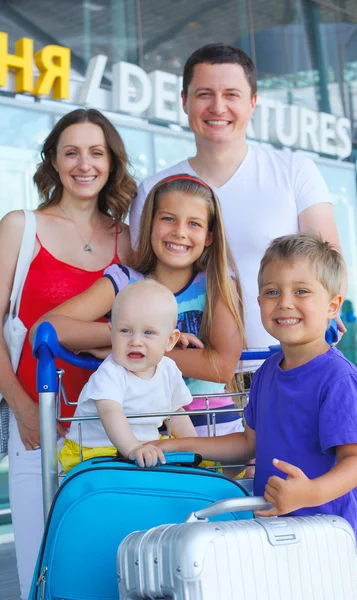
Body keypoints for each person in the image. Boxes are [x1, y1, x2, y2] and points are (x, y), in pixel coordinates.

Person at [151, 233, 357, 600]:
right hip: (273, 543)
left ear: (333, 306)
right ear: (259, 301)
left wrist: (309, 493)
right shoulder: (266, 373)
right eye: (272, 292)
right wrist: (179, 443)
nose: (284, 303)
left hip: (330, 550)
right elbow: (248, 444)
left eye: (302, 292)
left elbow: (355, 462)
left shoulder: (339, 379)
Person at [130, 43, 347, 353]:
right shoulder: (154, 190)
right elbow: (139, 284)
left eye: (231, 95)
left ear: (253, 103)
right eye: (204, 94)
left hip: (284, 369)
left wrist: (325, 313)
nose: (218, 107)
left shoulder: (295, 170)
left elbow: (332, 264)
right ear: (184, 102)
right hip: (187, 383)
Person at [0, 108, 135, 600]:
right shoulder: (20, 226)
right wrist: (21, 407)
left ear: (111, 162)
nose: (85, 164)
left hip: (117, 420)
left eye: (96, 152)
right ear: (53, 162)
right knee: (42, 562)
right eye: (71, 152)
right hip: (40, 419)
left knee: (109, 560)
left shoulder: (130, 238)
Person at [33, 174, 245, 442]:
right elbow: (45, 329)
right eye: (168, 218)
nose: (179, 231)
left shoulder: (218, 282)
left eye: (194, 223)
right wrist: (118, 337)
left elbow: (222, 367)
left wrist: (129, 347)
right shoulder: (124, 281)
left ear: (209, 236)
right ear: (149, 224)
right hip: (135, 432)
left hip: (211, 427)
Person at [58, 280, 196, 472]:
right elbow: (110, 412)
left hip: (143, 446)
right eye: (125, 331)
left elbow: (175, 414)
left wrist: (197, 445)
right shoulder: (111, 372)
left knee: (190, 458)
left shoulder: (168, 369)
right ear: (111, 333)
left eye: (148, 332)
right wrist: (133, 448)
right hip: (95, 451)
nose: (136, 341)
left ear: (170, 340)